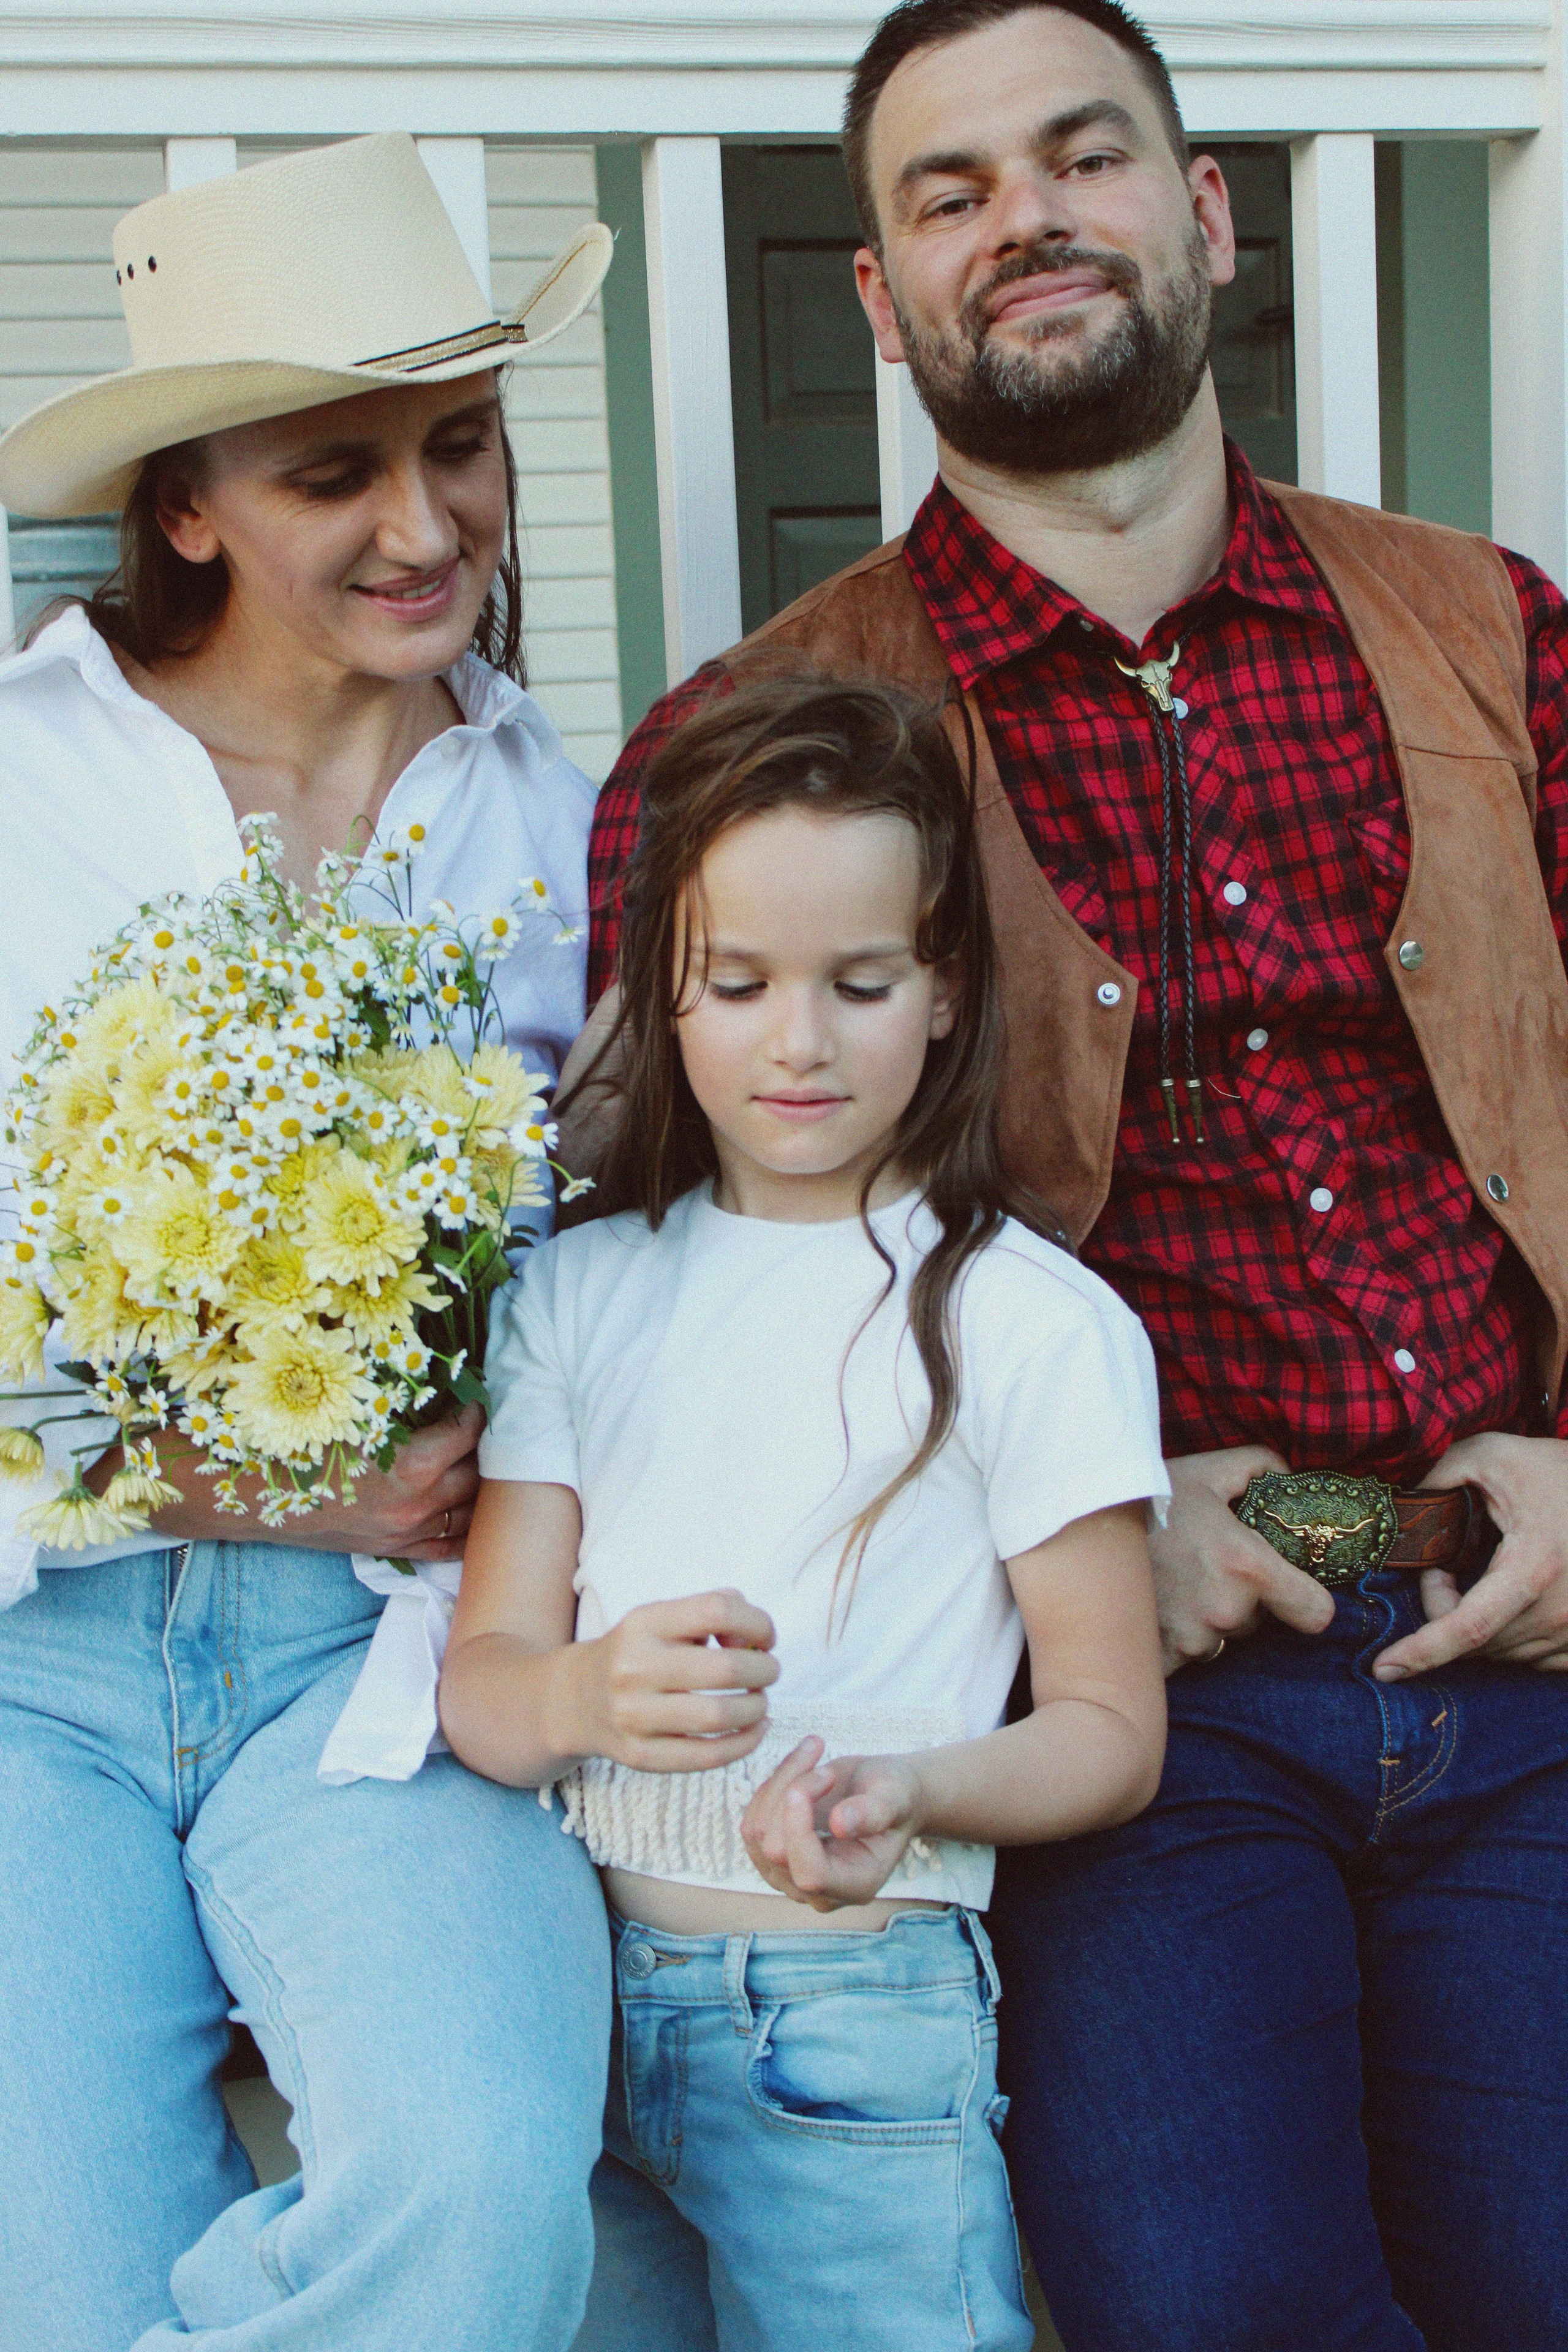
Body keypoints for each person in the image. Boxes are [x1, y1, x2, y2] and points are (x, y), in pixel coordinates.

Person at [582, 5, 1568, 2348]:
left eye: (1084, 156)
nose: (1025, 217)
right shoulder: (753, 750)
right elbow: (666, 1305)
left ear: (1203, 215)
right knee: (1213, 2302)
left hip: (1534, 1646)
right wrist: (1102, 1512)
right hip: (1126, 1720)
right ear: (880, 295)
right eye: (947, 191)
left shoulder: (1494, 635)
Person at [0, 134, 616, 2351]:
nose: (427, 527)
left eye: (463, 448)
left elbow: (632, 1273)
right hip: (23, 1671)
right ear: (186, 504)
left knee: (469, 2191)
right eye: (336, 469)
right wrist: (177, 1476)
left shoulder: (576, 827)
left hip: (383, 1670)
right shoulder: (18, 790)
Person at [440, 675, 1170, 2352]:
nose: (799, 1042)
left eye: (860, 983)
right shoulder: (583, 1295)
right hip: (575, 2016)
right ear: (662, 998)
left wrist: (916, 1784)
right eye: (739, 983)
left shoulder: (1029, 1322)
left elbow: (1111, 1728)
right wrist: (580, 1691)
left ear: (944, 994)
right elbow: (486, 1684)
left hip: (859, 2018)